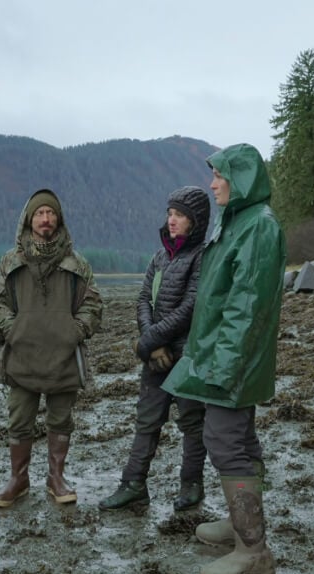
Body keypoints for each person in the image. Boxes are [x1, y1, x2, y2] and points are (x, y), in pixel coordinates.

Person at [161, 143, 287, 574]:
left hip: (232, 362)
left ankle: (253, 552)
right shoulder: (236, 223)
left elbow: (247, 308)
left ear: (242, 180)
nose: (212, 184)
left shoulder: (258, 228)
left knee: (223, 439)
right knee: (237, 436)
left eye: (220, 176)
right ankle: (241, 527)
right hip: (221, 357)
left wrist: (226, 368)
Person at [0, 189, 103, 507]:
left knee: (60, 421)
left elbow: (93, 305)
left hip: (64, 358)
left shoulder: (77, 265)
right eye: (39, 213)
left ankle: (56, 478)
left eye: (51, 213)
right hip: (20, 358)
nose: (46, 218)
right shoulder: (10, 262)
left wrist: (74, 331)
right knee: (19, 421)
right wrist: (13, 330)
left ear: (58, 219)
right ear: (29, 219)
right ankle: (18, 480)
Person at [99, 187, 209, 512]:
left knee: (192, 423)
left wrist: (147, 342)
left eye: (179, 215)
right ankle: (133, 485)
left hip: (188, 356)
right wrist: (151, 345)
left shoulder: (202, 256)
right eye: (170, 213)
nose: (171, 220)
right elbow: (144, 300)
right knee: (146, 422)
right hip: (156, 356)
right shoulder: (160, 256)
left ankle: (192, 485)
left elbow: (192, 305)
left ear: (195, 221)